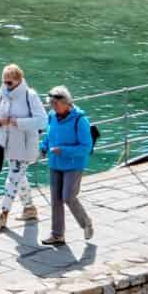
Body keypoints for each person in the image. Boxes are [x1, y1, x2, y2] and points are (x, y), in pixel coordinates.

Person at [0, 63, 45, 228]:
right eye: (4, 81)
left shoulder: (30, 95)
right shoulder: (2, 92)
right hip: (7, 143)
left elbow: (42, 121)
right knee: (19, 177)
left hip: (25, 145)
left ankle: (3, 213)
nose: (6, 85)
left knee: (12, 178)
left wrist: (17, 122)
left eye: (9, 82)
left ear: (19, 80)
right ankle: (29, 208)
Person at [37, 86, 94, 247]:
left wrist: (63, 150)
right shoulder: (52, 116)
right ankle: (57, 235)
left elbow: (86, 147)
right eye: (51, 105)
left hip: (73, 165)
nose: (53, 108)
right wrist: (42, 148)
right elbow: (49, 135)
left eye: (55, 104)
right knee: (55, 200)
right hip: (55, 164)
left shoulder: (80, 120)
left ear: (66, 103)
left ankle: (86, 222)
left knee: (68, 197)